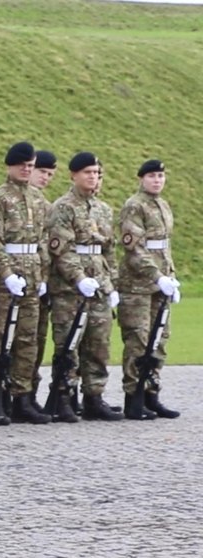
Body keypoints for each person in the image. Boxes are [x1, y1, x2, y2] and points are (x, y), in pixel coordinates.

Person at [0, 142, 52, 424]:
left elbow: (43, 241)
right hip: (4, 281)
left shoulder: (38, 199)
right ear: (10, 166)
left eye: (30, 166)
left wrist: (42, 276)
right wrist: (6, 274)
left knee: (27, 339)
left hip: (31, 277)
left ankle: (22, 396)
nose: (26, 170)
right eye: (22, 165)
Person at [45, 152, 122, 422]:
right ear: (74, 175)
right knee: (69, 344)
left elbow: (108, 251)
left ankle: (94, 396)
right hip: (70, 290)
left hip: (98, 285)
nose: (94, 177)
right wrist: (78, 278)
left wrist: (111, 284)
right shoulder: (63, 208)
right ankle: (64, 396)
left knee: (98, 344)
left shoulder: (102, 209)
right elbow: (61, 250)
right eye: (88, 172)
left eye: (97, 173)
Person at [117, 159, 180, 419]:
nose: (157, 180)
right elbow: (135, 249)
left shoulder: (162, 205)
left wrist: (171, 277)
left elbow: (163, 248)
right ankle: (134, 396)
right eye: (152, 176)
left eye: (160, 176)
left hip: (160, 284)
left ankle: (152, 393)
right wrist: (157, 276)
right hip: (138, 285)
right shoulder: (134, 206)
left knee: (159, 340)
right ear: (141, 178)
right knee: (139, 340)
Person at [28, 150, 57, 403]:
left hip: (39, 279)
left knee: (35, 340)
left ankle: (28, 393)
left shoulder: (46, 206)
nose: (45, 178)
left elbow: (47, 247)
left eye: (50, 174)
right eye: (42, 171)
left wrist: (45, 279)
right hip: (15, 281)